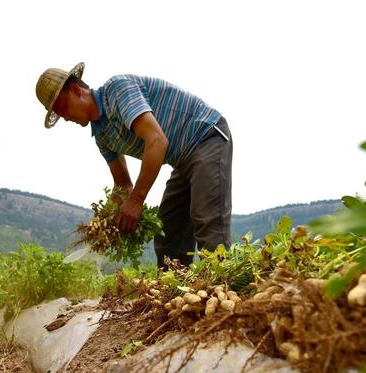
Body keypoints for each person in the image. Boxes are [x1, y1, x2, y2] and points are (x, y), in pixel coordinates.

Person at [35, 62, 233, 267]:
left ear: (76, 91)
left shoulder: (118, 90)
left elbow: (157, 141)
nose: (65, 118)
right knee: (169, 230)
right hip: (182, 160)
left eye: (62, 108)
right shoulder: (102, 136)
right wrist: (106, 221)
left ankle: (222, 287)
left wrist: (137, 200)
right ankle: (177, 293)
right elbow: (123, 185)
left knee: (207, 219)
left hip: (206, 137)